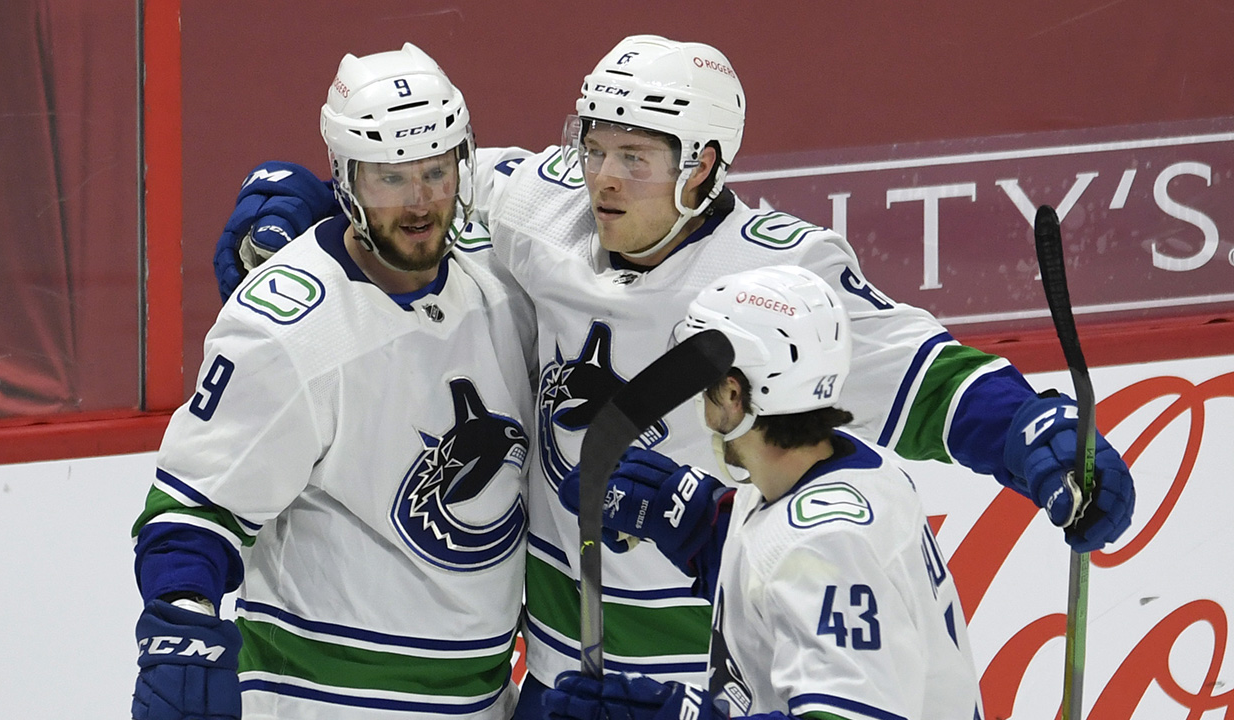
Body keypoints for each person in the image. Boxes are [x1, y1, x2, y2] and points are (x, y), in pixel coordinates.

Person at [209, 35, 1134, 717]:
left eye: (634, 160)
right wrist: (289, 197)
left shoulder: (777, 277)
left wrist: (1037, 439)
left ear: (702, 166)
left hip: (700, 681)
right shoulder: (545, 204)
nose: (602, 180)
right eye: (595, 147)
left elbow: (924, 375)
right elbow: (418, 181)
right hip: (563, 671)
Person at [131, 44, 536, 720]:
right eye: (390, 179)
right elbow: (192, 511)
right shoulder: (282, 327)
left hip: (484, 697)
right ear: (345, 180)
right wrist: (179, 628)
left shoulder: (501, 275)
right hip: (318, 699)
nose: (421, 203)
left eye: (436, 173)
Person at [547, 266, 982, 719]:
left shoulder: (829, 546)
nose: (697, 394)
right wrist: (697, 521)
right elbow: (783, 593)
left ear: (733, 394)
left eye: (702, 382)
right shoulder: (847, 471)